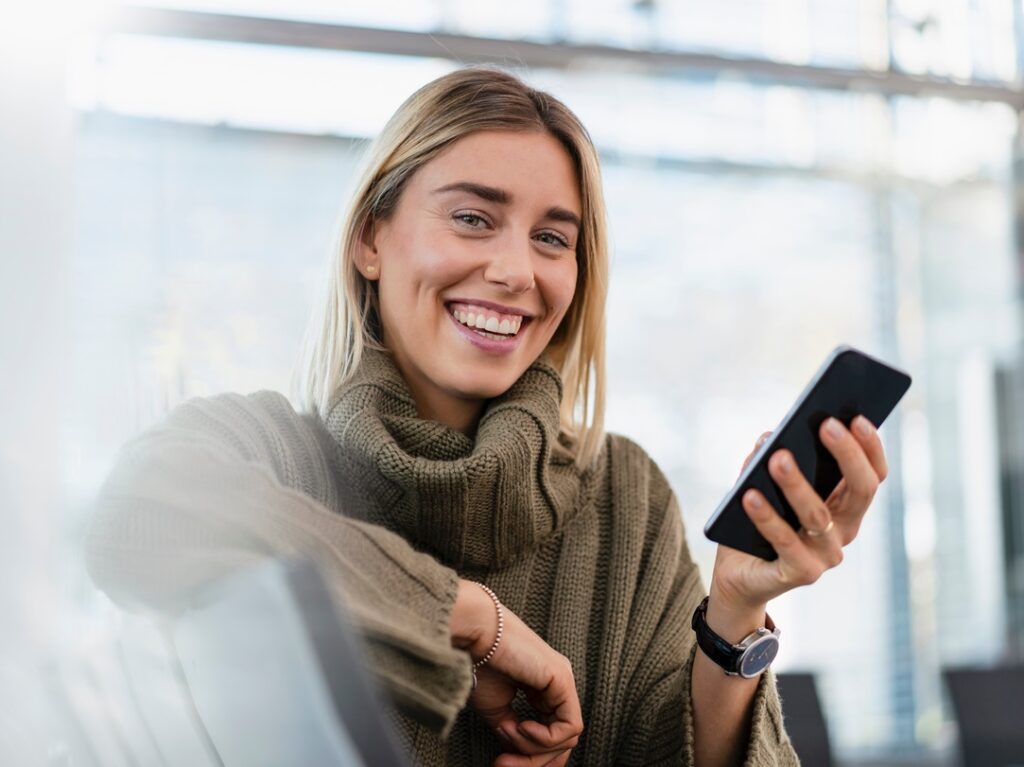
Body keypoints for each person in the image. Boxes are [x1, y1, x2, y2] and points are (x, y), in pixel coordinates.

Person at [85, 66, 890, 766]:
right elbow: (134, 515)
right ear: (371, 237)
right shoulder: (268, 452)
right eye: (473, 217)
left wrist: (735, 614)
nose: (514, 270)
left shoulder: (625, 496)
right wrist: (466, 617)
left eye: (551, 236)